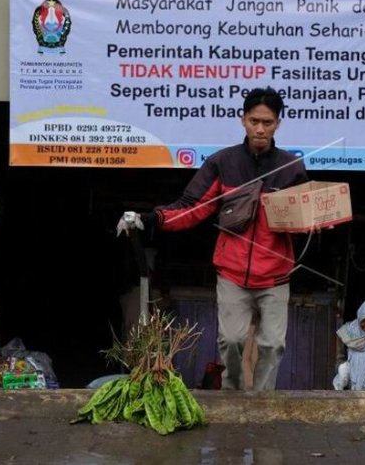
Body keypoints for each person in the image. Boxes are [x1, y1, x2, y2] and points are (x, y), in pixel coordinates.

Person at [117, 87, 308, 390]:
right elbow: (192, 207)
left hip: (275, 275)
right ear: (243, 120)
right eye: (254, 121)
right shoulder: (223, 162)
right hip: (232, 273)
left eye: (268, 123)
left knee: (272, 345)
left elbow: (305, 218)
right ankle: (232, 397)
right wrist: (151, 219)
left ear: (278, 124)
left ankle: (262, 403)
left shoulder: (292, 168)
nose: (260, 129)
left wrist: (318, 223)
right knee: (230, 340)